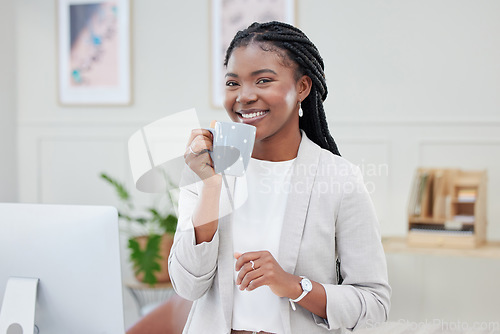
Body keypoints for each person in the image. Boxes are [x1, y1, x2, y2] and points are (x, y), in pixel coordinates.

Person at [168, 21, 391, 334]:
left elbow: (374, 305)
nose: (244, 96)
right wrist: (211, 185)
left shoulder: (341, 179)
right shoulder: (204, 169)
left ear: (302, 87)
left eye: (263, 80)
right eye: (233, 83)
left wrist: (293, 285)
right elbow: (187, 286)